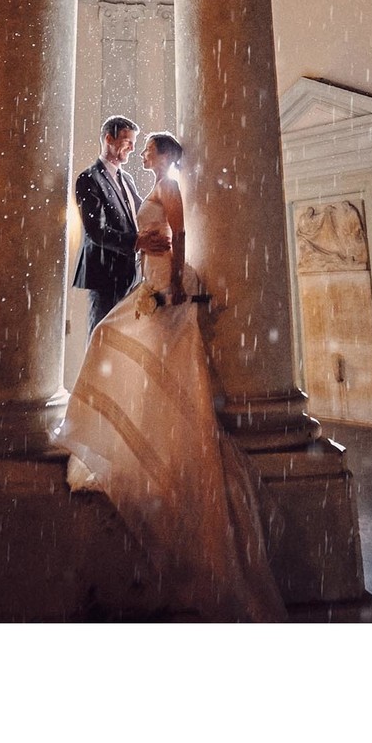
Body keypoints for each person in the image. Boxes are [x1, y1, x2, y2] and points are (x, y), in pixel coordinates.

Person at [57, 131, 287, 622]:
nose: (140, 153)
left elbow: (178, 235)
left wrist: (178, 279)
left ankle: (141, 442)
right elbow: (130, 230)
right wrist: (146, 259)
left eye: (146, 148)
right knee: (123, 350)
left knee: (119, 345)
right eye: (132, 144)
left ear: (163, 155)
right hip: (149, 278)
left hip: (167, 283)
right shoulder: (140, 184)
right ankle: (124, 435)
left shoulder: (169, 185)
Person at [72, 115, 170, 336]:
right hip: (104, 275)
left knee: (124, 340)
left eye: (134, 143)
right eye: (127, 141)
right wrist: (137, 241)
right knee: (102, 337)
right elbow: (96, 231)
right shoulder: (89, 178)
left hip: (130, 273)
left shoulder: (127, 179)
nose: (133, 148)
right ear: (109, 138)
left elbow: (142, 212)